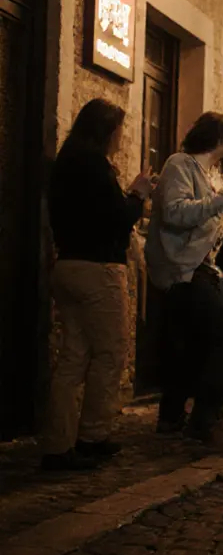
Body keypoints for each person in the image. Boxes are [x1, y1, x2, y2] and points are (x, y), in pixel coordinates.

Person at [42, 100, 154, 470]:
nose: (121, 138)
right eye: (119, 131)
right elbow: (115, 220)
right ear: (106, 132)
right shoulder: (95, 168)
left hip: (68, 265)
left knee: (72, 358)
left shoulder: (66, 163)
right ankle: (92, 435)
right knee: (110, 352)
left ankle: (58, 445)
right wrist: (137, 194)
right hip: (98, 270)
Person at [146, 112, 223, 445]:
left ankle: (173, 417)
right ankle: (205, 419)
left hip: (205, 270)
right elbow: (175, 212)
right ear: (219, 135)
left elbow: (211, 222)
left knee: (192, 347)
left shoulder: (210, 174)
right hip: (183, 270)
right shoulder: (180, 164)